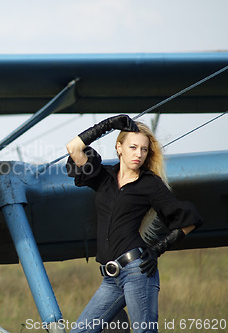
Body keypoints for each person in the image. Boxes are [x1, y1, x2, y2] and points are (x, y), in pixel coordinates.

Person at [65, 114, 203, 333]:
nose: (138, 154)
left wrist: (157, 250)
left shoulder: (150, 184)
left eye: (144, 149)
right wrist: (109, 124)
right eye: (132, 147)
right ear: (119, 148)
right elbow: (74, 148)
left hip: (137, 271)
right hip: (110, 279)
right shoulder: (103, 177)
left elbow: (189, 220)